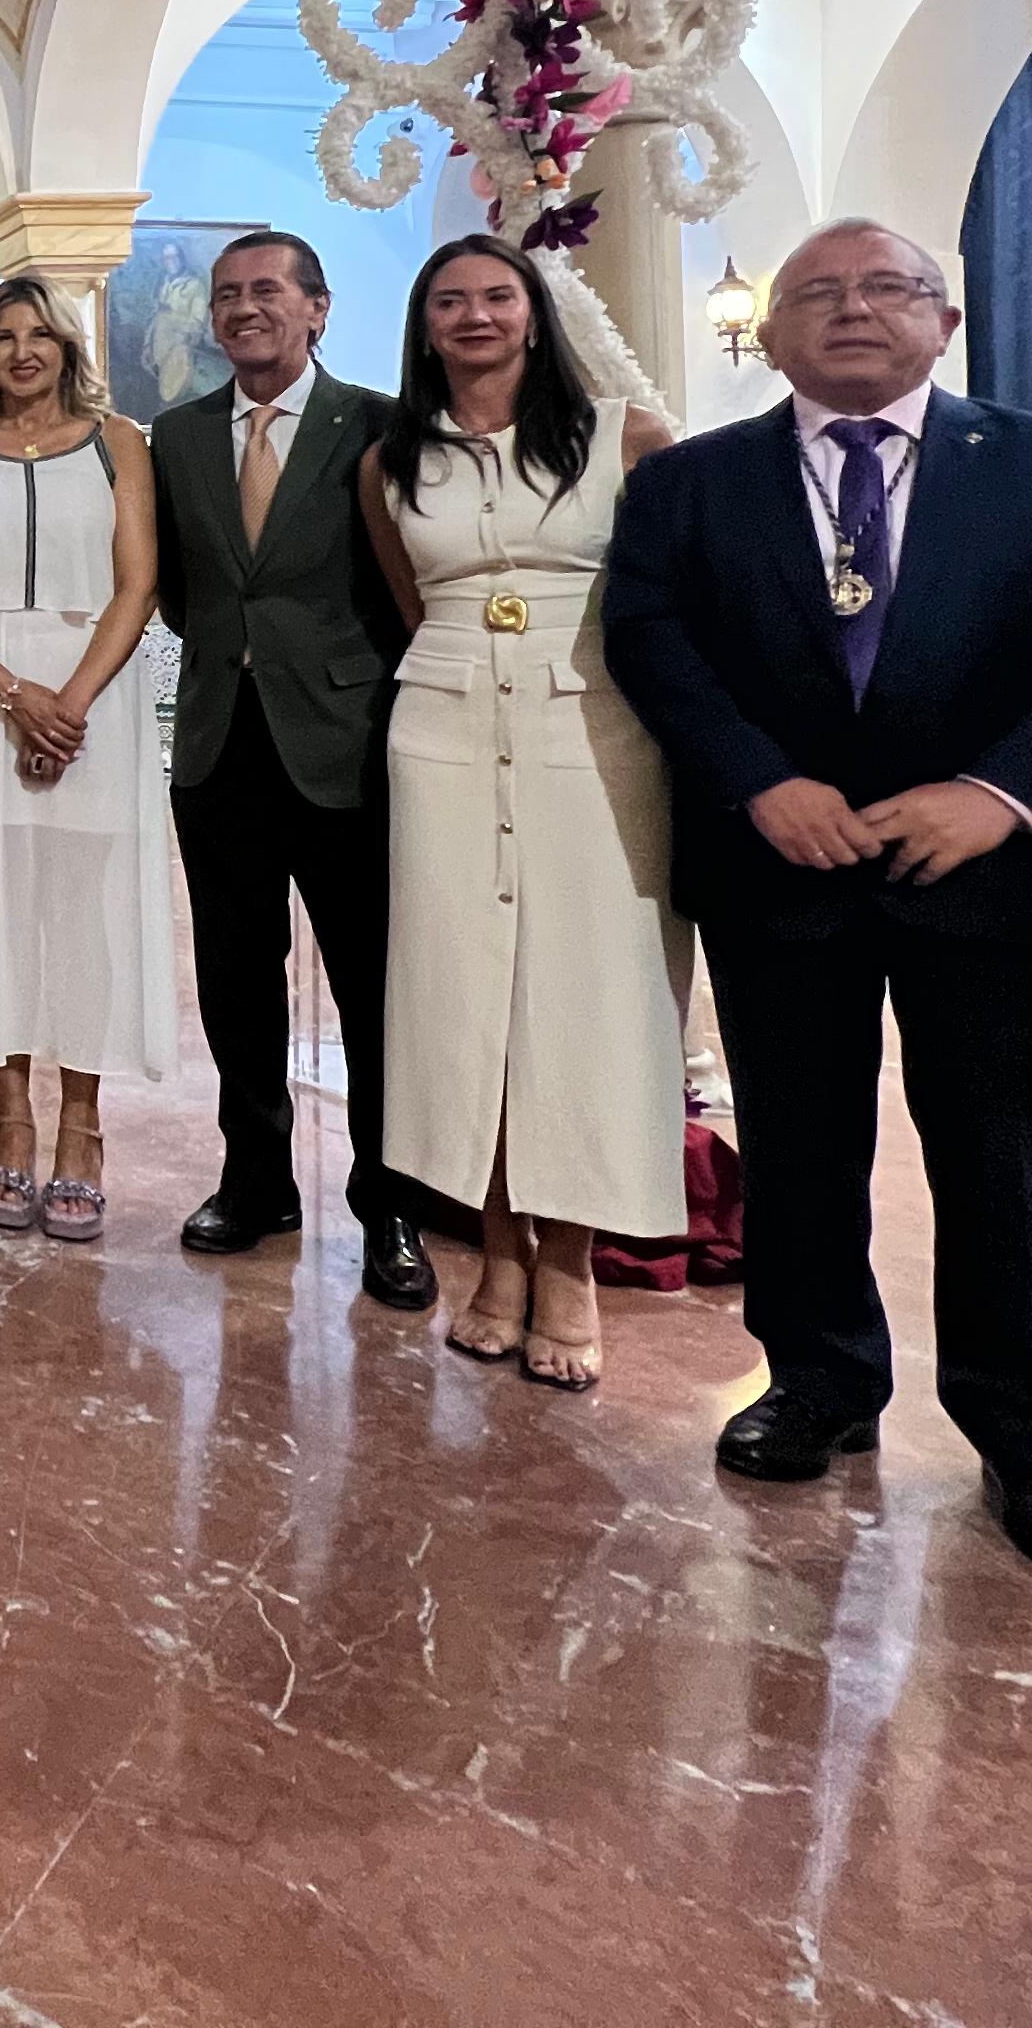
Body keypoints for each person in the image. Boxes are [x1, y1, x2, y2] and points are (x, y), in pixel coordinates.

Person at [605, 219, 1032, 1581]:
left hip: (998, 876)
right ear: (772, 333)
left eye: (886, 288)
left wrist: (1003, 796)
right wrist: (758, 781)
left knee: (1011, 1164)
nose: (851, 310)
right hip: (781, 865)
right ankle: (818, 1380)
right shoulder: (690, 481)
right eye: (817, 293)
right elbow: (651, 640)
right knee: (798, 1143)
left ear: (944, 320)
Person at [359, 237, 684, 1391]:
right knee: (465, 991)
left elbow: (665, 595)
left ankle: (573, 1260)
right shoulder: (393, 460)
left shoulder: (625, 438)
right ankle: (498, 1251)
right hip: (444, 726)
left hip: (591, 726)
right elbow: (413, 599)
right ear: (424, 325)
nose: (475, 315)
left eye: (498, 296)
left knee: (583, 993)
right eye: (449, 300)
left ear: (535, 315)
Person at [147, 231, 435, 1311]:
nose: (243, 308)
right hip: (220, 741)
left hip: (345, 740)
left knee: (371, 984)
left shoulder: (380, 424)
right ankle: (256, 1179)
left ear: (318, 308)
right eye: (227, 294)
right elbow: (183, 590)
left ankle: (390, 1206)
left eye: (267, 290)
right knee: (234, 978)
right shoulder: (177, 436)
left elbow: (403, 578)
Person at [0, 276, 168, 1240]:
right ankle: (10, 1120)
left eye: (40, 334)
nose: (23, 351)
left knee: (85, 909)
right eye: (4, 335)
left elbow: (138, 585)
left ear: (67, 347)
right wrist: (15, 696)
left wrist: (71, 703)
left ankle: (82, 1130)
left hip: (93, 691)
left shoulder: (118, 443)